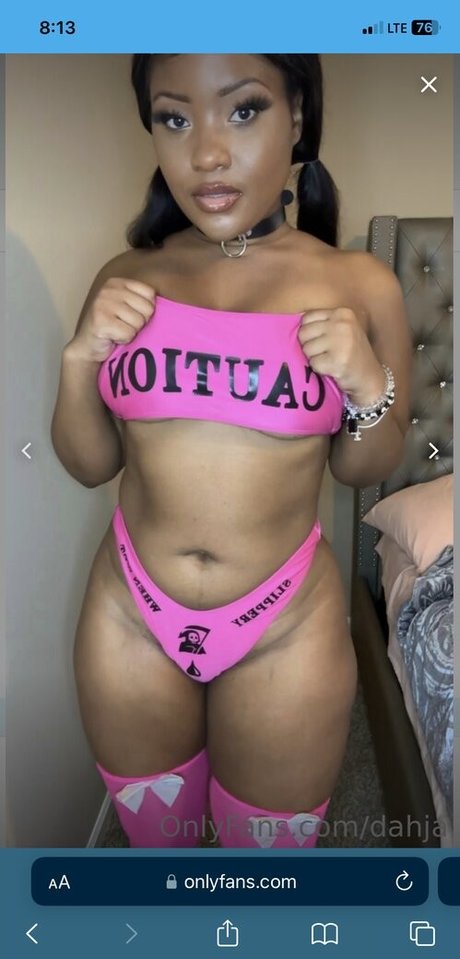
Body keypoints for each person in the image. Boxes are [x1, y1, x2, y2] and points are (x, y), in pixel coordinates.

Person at [51, 54, 412, 849]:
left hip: (285, 622)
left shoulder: (359, 283)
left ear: (298, 115)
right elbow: (89, 464)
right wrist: (79, 362)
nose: (206, 153)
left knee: (265, 871)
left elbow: (365, 466)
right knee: (162, 853)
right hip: (129, 615)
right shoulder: (126, 275)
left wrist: (365, 380)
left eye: (242, 110)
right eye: (174, 118)